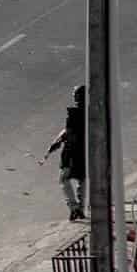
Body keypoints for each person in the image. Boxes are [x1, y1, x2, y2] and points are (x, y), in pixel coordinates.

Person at [41, 84, 87, 222]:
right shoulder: (94, 112)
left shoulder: (74, 114)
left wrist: (57, 142)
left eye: (75, 94)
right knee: (82, 179)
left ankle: (74, 208)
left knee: (64, 179)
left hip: (72, 153)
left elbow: (69, 132)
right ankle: (81, 207)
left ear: (77, 97)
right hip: (86, 151)